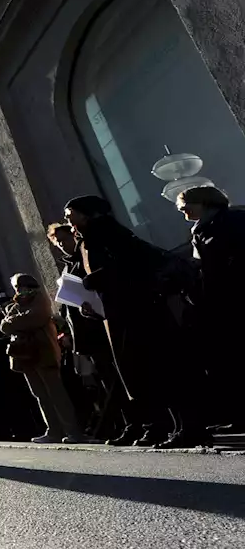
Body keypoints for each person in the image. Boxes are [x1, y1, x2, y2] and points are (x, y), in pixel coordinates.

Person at [66, 195, 210, 448]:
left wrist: (96, 280)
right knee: (142, 373)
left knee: (161, 368)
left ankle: (188, 427)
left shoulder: (109, 233)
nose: (68, 219)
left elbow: (131, 266)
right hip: (120, 313)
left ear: (87, 213)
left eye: (71, 213)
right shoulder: (88, 239)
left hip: (140, 312)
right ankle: (160, 426)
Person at [47, 223, 129, 442]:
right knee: (103, 380)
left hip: (101, 326)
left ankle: (128, 424)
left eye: (65, 240)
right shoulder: (67, 268)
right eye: (58, 243)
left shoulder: (86, 259)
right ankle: (120, 425)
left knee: (116, 379)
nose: (63, 246)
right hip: (84, 332)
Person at [178, 185, 245, 432]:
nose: (182, 209)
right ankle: (238, 416)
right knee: (228, 360)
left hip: (234, 298)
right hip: (218, 302)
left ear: (204, 202)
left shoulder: (233, 220)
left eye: (185, 203)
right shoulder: (201, 229)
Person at [1, 274, 91, 444]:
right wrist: (19, 320)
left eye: (20, 286)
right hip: (24, 355)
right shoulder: (16, 306)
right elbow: (4, 326)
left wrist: (16, 321)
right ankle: (53, 431)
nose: (19, 290)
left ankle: (73, 431)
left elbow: (36, 318)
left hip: (44, 352)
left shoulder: (40, 299)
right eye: (17, 287)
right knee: (40, 394)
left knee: (56, 394)